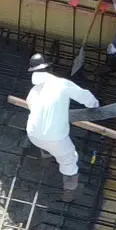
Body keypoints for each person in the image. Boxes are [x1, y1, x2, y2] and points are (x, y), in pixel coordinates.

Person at [25, 53, 100, 201]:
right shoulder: (62, 84)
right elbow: (86, 97)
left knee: (45, 142)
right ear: (50, 68)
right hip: (55, 139)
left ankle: (45, 160)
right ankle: (70, 191)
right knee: (69, 159)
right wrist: (96, 108)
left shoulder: (33, 91)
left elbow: (31, 106)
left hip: (32, 134)